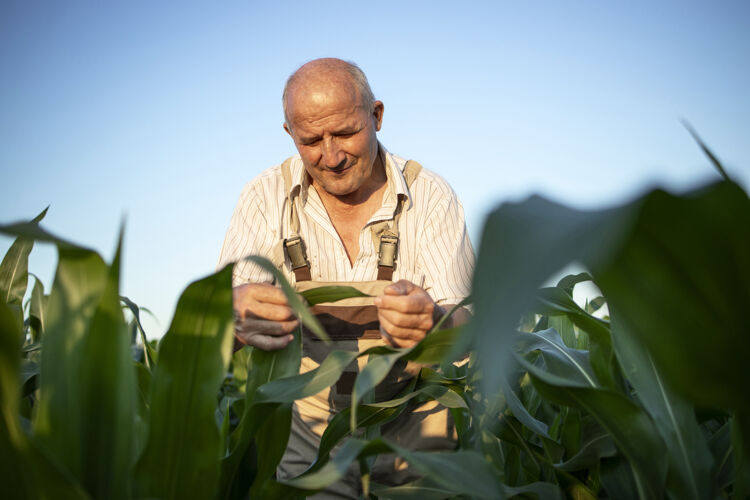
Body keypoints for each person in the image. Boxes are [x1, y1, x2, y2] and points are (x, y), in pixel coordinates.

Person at [217, 58, 474, 498]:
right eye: (311, 140)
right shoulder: (264, 198)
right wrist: (231, 313)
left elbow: (472, 322)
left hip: (416, 422)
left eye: (345, 133)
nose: (331, 156)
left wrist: (433, 322)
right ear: (289, 134)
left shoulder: (429, 194)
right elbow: (217, 324)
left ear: (376, 116)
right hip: (309, 431)